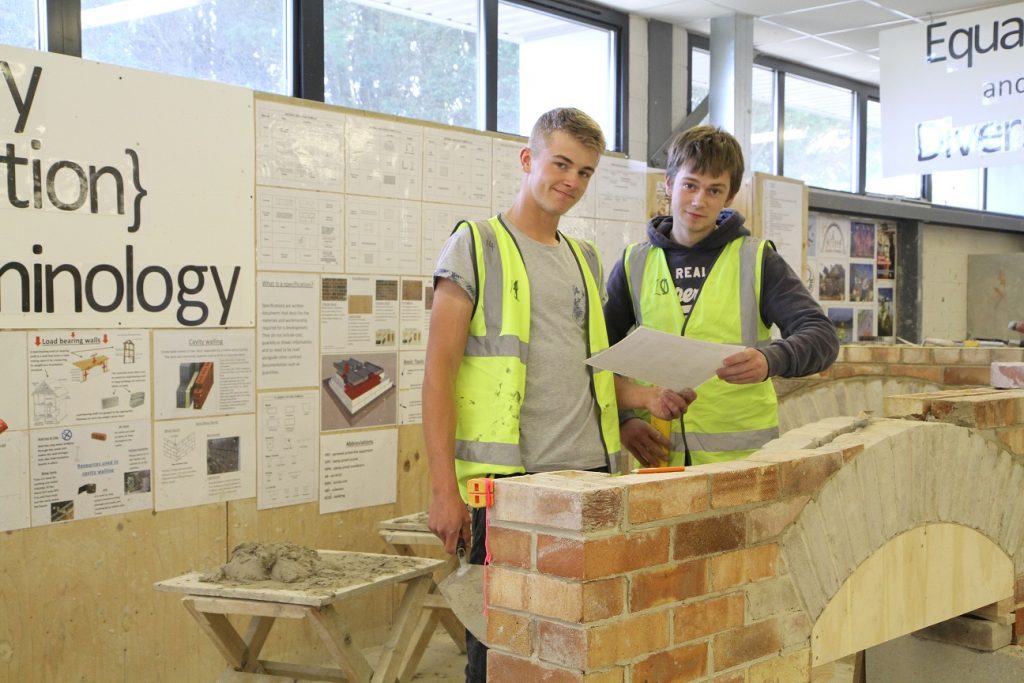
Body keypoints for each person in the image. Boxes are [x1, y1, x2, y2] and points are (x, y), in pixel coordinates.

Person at [422, 108, 692, 683]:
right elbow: (438, 376)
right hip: (507, 488)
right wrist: (444, 490)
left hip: (588, 476)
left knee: (577, 649)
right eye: (561, 163)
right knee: (500, 653)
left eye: (586, 172)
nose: (571, 181)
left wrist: (641, 400)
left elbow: (584, 370)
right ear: (529, 160)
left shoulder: (585, 258)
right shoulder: (476, 246)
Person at [604, 125, 839, 467]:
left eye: (714, 190)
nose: (700, 201)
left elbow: (822, 337)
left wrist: (772, 359)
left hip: (742, 467)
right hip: (659, 463)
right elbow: (598, 354)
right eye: (690, 185)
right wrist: (625, 420)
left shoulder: (756, 260)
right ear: (669, 185)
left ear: (729, 198)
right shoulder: (633, 264)